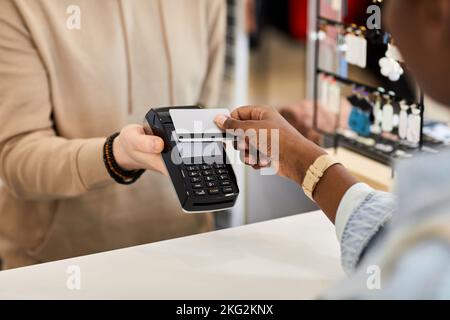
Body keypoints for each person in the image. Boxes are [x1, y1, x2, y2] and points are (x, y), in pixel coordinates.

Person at [215, 0, 450, 299]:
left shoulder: (431, 262)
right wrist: (300, 159)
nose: (384, 18)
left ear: (435, 13)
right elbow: (391, 234)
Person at [0, 0, 225, 269]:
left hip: (187, 249)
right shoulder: (18, 6)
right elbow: (17, 159)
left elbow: (206, 120)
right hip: (60, 264)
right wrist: (113, 155)